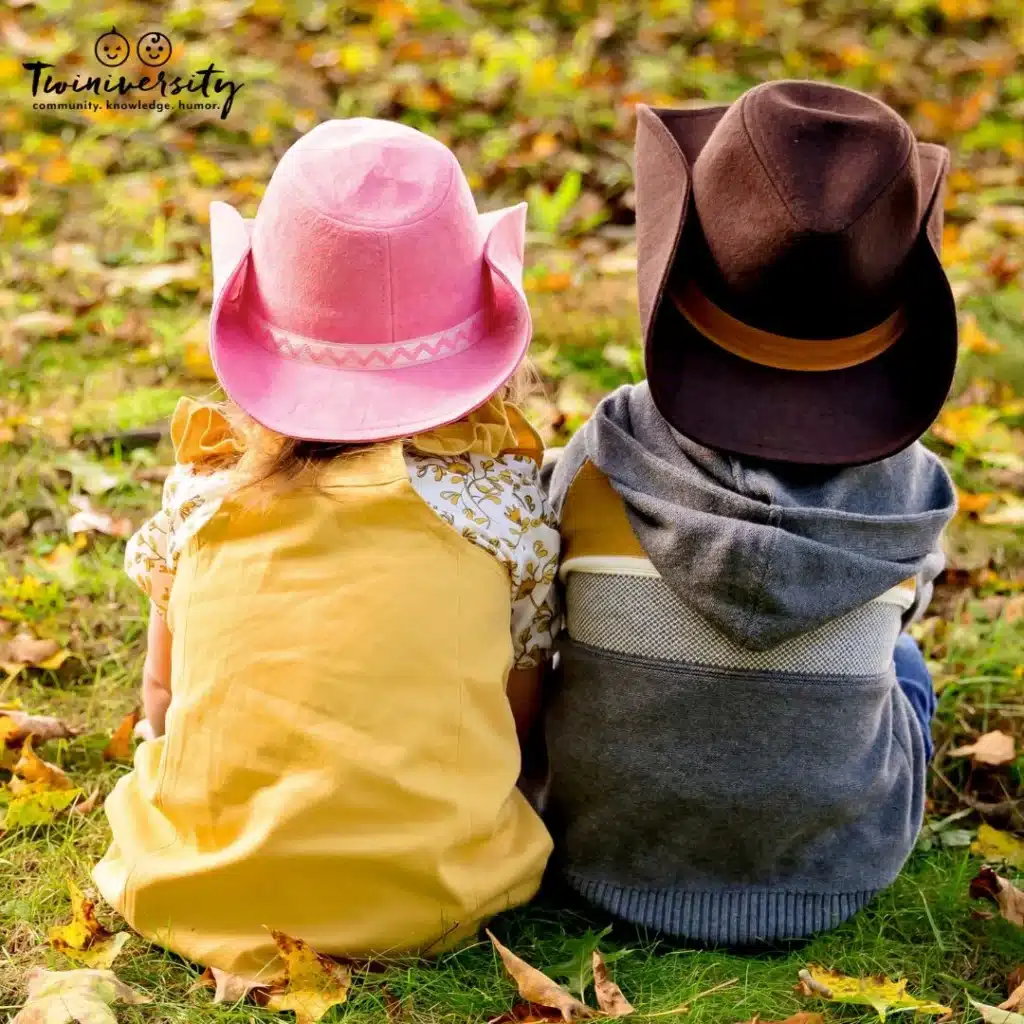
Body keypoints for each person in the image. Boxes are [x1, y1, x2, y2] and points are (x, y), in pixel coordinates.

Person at [93, 118, 558, 978]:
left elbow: (164, 692)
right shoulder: (503, 512)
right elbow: (516, 717)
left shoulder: (204, 496)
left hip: (200, 887)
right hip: (437, 894)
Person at [542, 81, 957, 945]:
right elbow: (911, 598)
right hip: (833, 875)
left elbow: (542, 585)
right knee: (903, 658)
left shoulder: (611, 447)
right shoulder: (913, 487)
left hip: (597, 853)